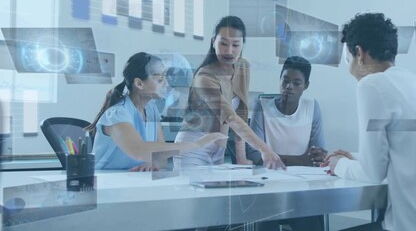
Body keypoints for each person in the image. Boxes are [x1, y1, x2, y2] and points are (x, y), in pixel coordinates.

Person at [322, 13, 416, 231]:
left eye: (348, 60)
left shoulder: (371, 85)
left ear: (359, 53)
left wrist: (339, 165)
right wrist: (355, 157)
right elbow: (403, 149)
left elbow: (373, 173)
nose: (349, 69)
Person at [175, 16, 285, 170]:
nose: (229, 51)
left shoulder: (242, 67)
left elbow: (240, 113)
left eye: (235, 45)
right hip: (192, 150)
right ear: (213, 42)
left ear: (242, 45)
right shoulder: (204, 77)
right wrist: (264, 149)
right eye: (223, 44)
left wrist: (241, 157)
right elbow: (231, 118)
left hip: (218, 151)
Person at [86, 52, 226, 170]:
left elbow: (162, 159)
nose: (166, 83)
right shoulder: (117, 114)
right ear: (139, 84)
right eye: (159, 79)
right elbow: (138, 150)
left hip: (134, 180)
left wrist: (151, 162)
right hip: (106, 181)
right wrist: (196, 144)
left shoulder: (151, 109)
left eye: (165, 77)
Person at [246, 56, 326, 231]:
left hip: (302, 188)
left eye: (297, 83)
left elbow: (319, 153)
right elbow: (253, 154)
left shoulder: (312, 107)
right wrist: (301, 160)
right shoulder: (262, 106)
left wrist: (318, 157)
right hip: (268, 188)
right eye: (285, 80)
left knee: (311, 220)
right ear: (280, 79)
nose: (289, 86)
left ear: (306, 86)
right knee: (265, 217)